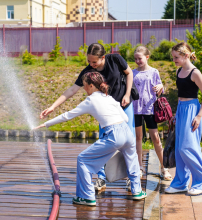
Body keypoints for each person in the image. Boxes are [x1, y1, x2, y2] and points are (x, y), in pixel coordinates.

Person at [34, 72, 146, 205]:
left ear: (91, 86)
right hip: (127, 132)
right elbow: (126, 118)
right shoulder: (108, 97)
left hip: (113, 134)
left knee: (83, 160)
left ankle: (86, 196)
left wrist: (46, 124)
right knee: (132, 160)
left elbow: (67, 116)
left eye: (85, 86)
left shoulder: (90, 100)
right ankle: (137, 191)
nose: (84, 89)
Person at [40, 43, 136, 191]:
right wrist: (53, 107)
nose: (91, 65)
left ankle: (131, 179)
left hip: (124, 104)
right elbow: (72, 89)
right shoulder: (89, 71)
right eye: (89, 62)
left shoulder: (116, 59)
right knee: (103, 144)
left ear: (103, 57)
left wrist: (127, 94)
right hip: (106, 112)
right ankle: (101, 178)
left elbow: (129, 73)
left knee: (128, 144)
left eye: (94, 62)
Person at [165, 42, 202, 195]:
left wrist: (199, 116)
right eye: (173, 57)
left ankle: (200, 181)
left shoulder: (195, 73)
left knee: (187, 147)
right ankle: (180, 182)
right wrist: (175, 114)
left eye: (176, 57)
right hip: (181, 110)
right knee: (179, 149)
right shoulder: (179, 71)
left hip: (193, 110)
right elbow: (181, 96)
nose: (174, 60)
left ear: (186, 55)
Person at [132, 46, 172, 180]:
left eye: (140, 58)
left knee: (155, 138)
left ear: (147, 57)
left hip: (150, 109)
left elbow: (160, 88)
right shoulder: (132, 73)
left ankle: (164, 167)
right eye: (135, 59)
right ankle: (139, 167)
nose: (137, 61)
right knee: (138, 138)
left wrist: (161, 87)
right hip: (136, 109)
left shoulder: (154, 72)